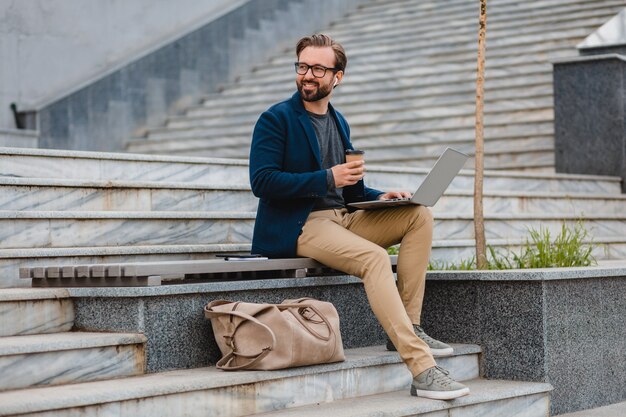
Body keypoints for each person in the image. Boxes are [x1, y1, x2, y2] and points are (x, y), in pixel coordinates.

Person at [249, 34, 469, 400]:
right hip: (304, 223)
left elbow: (349, 193)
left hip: (343, 217)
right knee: (374, 257)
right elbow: (262, 180)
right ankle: (423, 368)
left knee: (418, 214)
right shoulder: (276, 119)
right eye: (302, 66)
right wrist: (326, 177)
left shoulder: (339, 123)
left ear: (338, 76)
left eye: (318, 68)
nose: (308, 75)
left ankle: (409, 326)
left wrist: (380, 197)